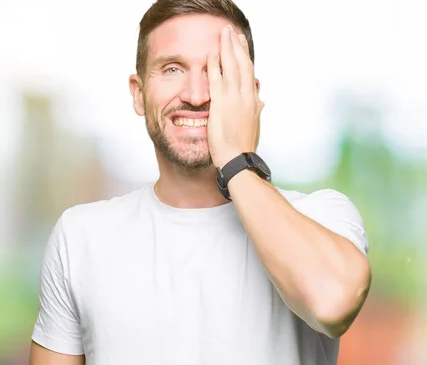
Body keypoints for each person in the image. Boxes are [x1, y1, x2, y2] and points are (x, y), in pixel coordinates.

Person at [28, 0, 371, 364]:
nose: (195, 95)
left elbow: (332, 303)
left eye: (217, 71)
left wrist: (237, 162)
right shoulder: (81, 236)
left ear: (248, 94)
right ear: (138, 93)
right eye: (173, 68)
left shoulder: (321, 216)